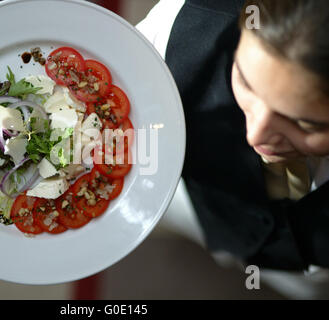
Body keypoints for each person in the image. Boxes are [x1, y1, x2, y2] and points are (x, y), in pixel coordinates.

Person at [137, 0, 329, 298]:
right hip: (204, 208)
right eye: (245, 81)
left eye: (304, 123)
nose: (256, 136)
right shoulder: (167, 36)